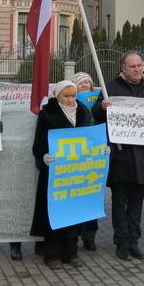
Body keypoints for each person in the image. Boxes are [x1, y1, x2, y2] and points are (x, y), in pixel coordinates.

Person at [92, 53, 144, 261]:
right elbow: (96, 115)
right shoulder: (110, 88)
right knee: (119, 202)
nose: (137, 69)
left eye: (139, 65)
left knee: (137, 203)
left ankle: (134, 242)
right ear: (123, 69)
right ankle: (121, 243)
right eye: (133, 66)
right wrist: (101, 107)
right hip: (121, 157)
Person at [30, 80, 93, 269]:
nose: (70, 100)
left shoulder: (83, 112)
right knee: (55, 213)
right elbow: (39, 141)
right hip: (55, 172)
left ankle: (71, 253)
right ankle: (52, 255)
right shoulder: (47, 114)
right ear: (57, 96)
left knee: (74, 212)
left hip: (76, 173)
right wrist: (43, 156)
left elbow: (90, 138)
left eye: (73, 96)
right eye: (66, 96)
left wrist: (100, 150)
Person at [72, 71, 100, 252]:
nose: (84, 86)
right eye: (80, 83)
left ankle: (89, 236)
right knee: (75, 199)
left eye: (87, 83)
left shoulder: (98, 104)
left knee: (91, 198)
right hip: (75, 160)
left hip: (94, 159)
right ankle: (73, 235)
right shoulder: (70, 104)